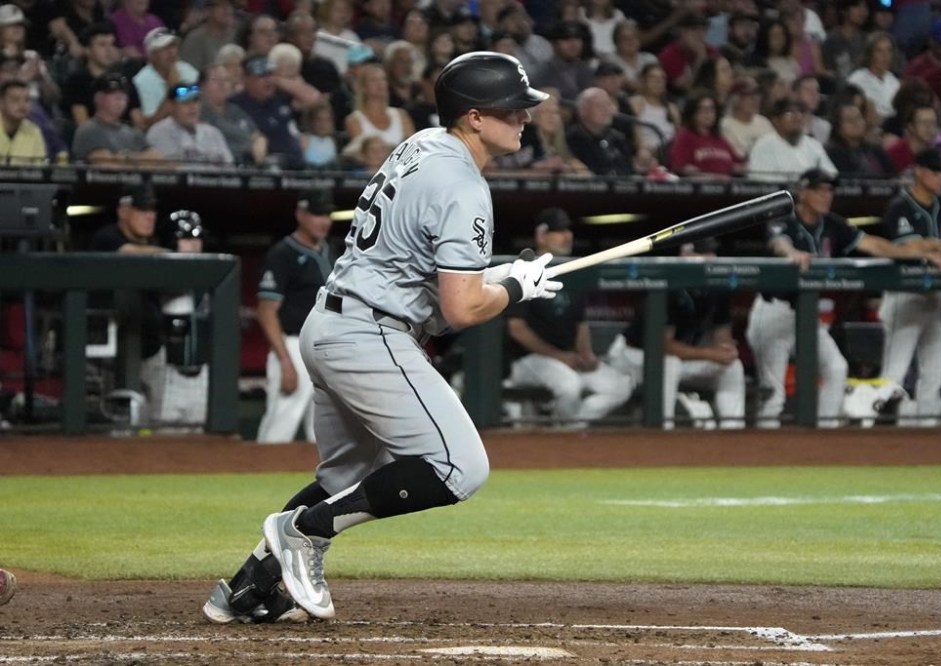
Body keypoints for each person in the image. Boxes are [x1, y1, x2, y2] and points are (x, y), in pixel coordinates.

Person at [203, 51, 559, 623]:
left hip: (331, 324)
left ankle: (249, 587)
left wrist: (499, 275)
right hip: (368, 332)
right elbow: (461, 310)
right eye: (512, 109)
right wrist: (513, 289)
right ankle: (304, 533)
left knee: (345, 480)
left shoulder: (419, 144)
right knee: (458, 467)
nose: (524, 118)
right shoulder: (465, 184)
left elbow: (416, 266)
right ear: (473, 116)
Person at [746, 168, 941, 429]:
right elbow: (779, 242)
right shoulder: (784, 217)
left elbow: (875, 245)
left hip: (805, 314)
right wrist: (792, 253)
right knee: (772, 391)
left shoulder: (833, 224)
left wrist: (919, 256)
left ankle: (825, 435)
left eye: (830, 190)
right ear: (803, 192)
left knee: (836, 369)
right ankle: (764, 450)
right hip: (773, 311)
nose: (826, 195)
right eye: (820, 190)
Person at [505, 208, 632, 428]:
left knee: (620, 387)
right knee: (570, 385)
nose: (567, 235)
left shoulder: (572, 269)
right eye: (558, 230)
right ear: (541, 236)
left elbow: (580, 322)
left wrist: (586, 353)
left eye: (567, 230)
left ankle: (568, 430)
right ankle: (564, 435)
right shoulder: (523, 270)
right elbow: (517, 329)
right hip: (526, 360)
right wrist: (559, 356)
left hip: (568, 357)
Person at [878, 147, 941, 426]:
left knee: (934, 373)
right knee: (894, 373)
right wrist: (938, 247)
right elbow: (909, 247)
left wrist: (933, 245)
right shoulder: (900, 207)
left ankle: (926, 436)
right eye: (935, 171)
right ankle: (875, 435)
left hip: (936, 299)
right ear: (918, 171)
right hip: (904, 296)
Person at [605, 241, 745, 430]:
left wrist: (726, 349)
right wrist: (712, 354)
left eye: (711, 252)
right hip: (634, 356)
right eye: (701, 253)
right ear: (684, 254)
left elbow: (721, 334)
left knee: (732, 366)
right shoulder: (669, 285)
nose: (708, 258)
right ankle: (663, 429)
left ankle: (733, 429)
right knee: (670, 363)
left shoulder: (716, 287)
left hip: (680, 358)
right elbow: (664, 345)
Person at [255, 190, 336, 445]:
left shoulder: (331, 251)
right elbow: (266, 311)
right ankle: (259, 476)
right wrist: (285, 362)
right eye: (316, 214)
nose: (323, 221)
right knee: (280, 426)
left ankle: (318, 485)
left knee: (324, 434)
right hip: (293, 345)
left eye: (326, 214)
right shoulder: (283, 254)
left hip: (327, 348)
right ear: (301, 215)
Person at [89, 183, 168, 422]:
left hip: (151, 346)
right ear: (123, 211)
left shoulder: (153, 242)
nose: (150, 216)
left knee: (153, 419)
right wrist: (173, 254)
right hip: (112, 352)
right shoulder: (107, 237)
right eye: (142, 209)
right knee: (115, 418)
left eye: (152, 210)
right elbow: (127, 252)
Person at [157, 210, 211, 428]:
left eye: (198, 238)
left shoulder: (211, 280)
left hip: (201, 375)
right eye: (187, 238)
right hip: (167, 376)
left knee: (199, 447)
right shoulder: (158, 278)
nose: (195, 244)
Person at [71, 72, 163, 167]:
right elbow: (103, 163)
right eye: (113, 94)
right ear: (98, 97)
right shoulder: (89, 130)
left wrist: (125, 158)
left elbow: (156, 157)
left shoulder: (132, 132)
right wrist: (140, 160)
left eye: (123, 95)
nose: (120, 99)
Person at [746, 98, 837, 182]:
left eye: (800, 113)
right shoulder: (763, 145)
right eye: (789, 113)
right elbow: (760, 181)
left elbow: (831, 175)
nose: (797, 117)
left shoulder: (813, 144)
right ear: (776, 120)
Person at [146, 83, 233, 167]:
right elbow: (170, 171)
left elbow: (230, 168)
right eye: (186, 102)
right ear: (171, 106)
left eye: (196, 101)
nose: (193, 107)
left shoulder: (213, 133)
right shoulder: (160, 132)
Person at [131, 27, 199, 130]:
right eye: (164, 48)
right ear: (152, 55)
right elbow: (151, 124)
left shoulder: (186, 69)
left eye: (173, 46)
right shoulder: (142, 80)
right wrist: (172, 90)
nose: (171, 52)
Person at [669, 91, 743, 179]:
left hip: (728, 187)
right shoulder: (684, 136)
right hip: (700, 188)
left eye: (711, 109)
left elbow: (736, 164)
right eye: (703, 109)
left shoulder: (720, 139)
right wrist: (712, 178)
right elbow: (680, 168)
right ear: (693, 112)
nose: (708, 113)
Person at [566, 86, 636, 176]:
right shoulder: (572, 139)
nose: (606, 109)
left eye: (608, 105)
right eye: (598, 105)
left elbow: (629, 171)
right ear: (582, 110)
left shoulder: (618, 138)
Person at [885, 104, 939, 174]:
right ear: (911, 126)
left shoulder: (936, 152)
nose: (929, 127)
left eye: (933, 123)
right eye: (923, 122)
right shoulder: (894, 153)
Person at [0, 79, 44, 165]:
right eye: (15, 100)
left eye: (27, 100)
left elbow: (40, 168)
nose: (22, 105)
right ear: (1, 103)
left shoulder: (34, 131)